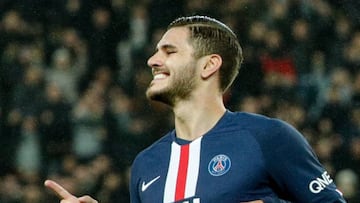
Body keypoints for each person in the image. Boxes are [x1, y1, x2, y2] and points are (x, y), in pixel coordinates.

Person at [45, 16, 346, 203]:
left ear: (209, 65)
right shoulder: (146, 165)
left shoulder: (268, 138)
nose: (152, 60)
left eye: (169, 51)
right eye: (155, 51)